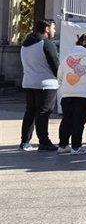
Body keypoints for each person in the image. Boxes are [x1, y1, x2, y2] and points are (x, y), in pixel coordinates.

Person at [56, 33, 86, 154]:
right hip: (85, 94)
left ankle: (62, 145)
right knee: (79, 121)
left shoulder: (67, 57)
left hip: (67, 93)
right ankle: (76, 147)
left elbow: (60, 76)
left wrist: (63, 87)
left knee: (66, 119)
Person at [19, 19, 60, 152]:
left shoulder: (25, 44)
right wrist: (61, 78)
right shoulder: (46, 43)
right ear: (47, 29)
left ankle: (25, 141)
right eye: (53, 28)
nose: (54, 31)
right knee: (43, 113)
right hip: (46, 83)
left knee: (30, 112)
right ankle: (44, 142)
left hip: (29, 82)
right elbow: (55, 65)